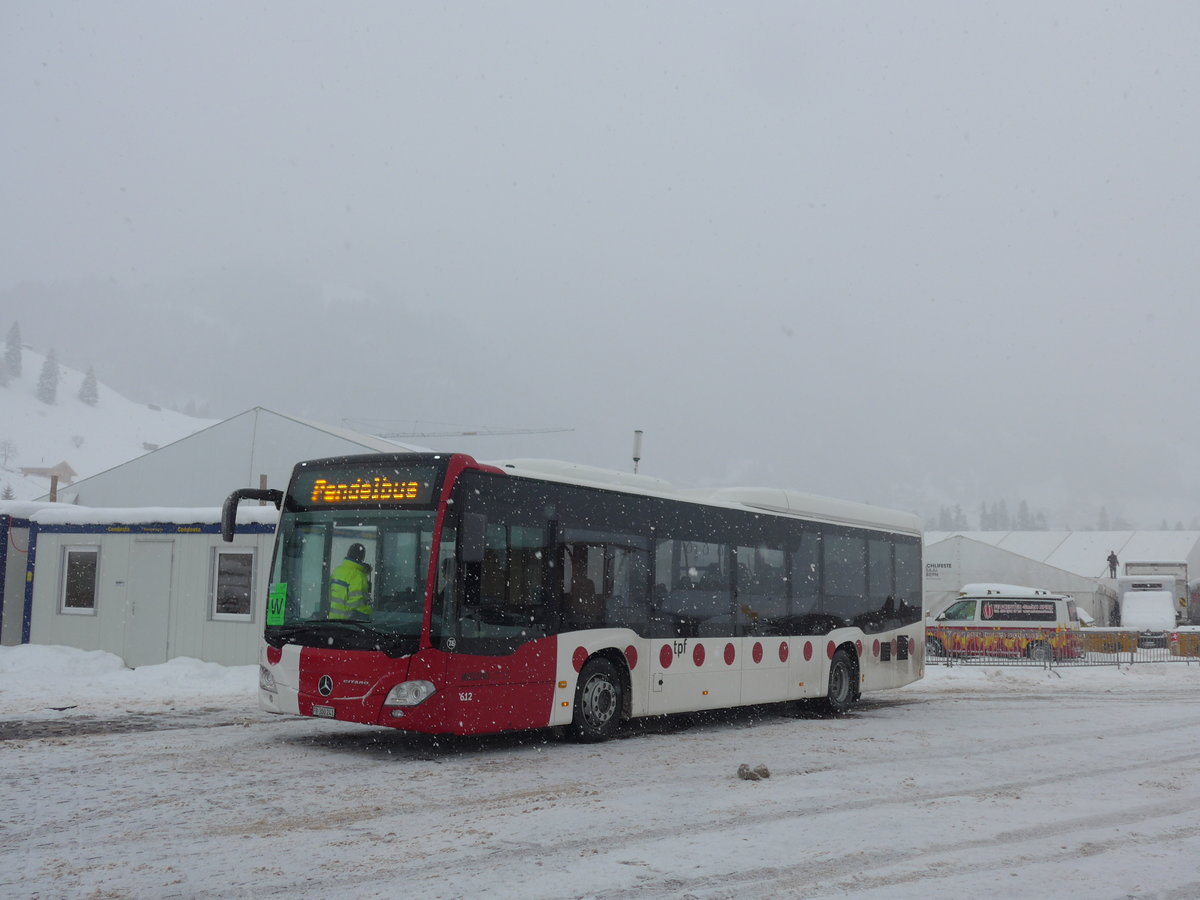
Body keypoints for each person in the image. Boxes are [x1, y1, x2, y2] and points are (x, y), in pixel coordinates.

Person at [329, 543, 372, 619]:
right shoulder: (358, 577)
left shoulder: (337, 571)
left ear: (348, 553)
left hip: (332, 622)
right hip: (347, 625)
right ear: (362, 557)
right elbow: (358, 608)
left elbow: (329, 596)